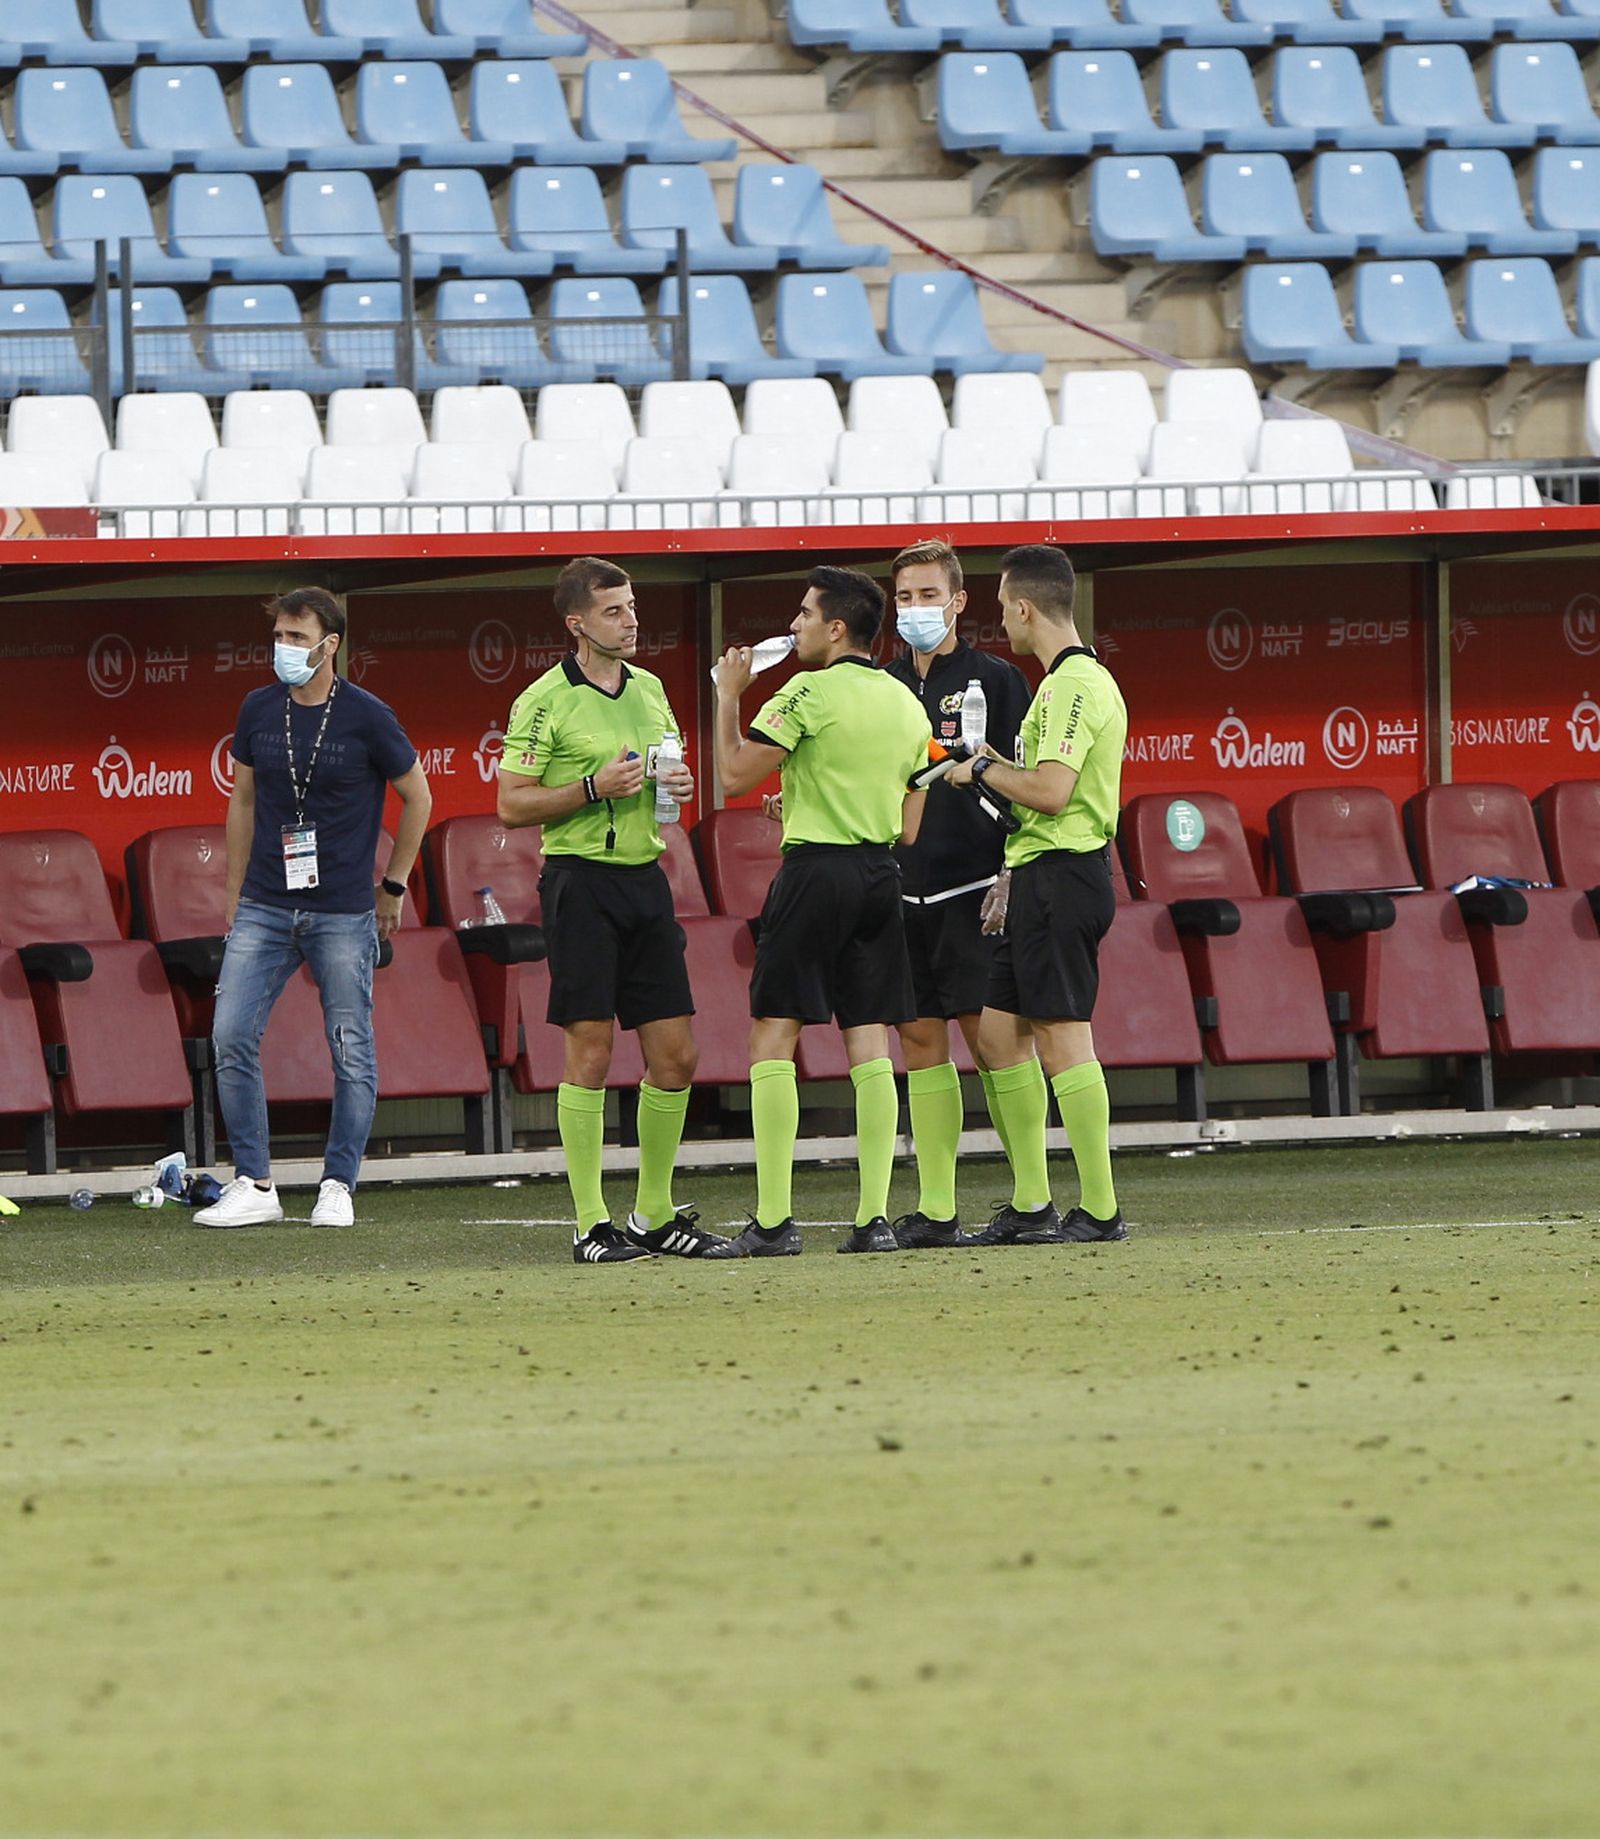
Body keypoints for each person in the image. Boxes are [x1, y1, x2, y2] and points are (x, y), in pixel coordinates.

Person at [497, 556, 728, 1264]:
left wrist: (676, 784)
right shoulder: (543, 699)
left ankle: (653, 1215)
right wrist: (591, 788)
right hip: (580, 886)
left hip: (646, 881)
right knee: (590, 1052)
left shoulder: (651, 689)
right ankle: (590, 1224)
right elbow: (511, 804)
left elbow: (668, 774)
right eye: (614, 611)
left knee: (677, 1055)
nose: (631, 621)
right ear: (577, 624)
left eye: (632, 607)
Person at [709, 565, 932, 1257]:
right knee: (869, 1040)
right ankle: (874, 1221)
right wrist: (813, 798)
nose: (795, 624)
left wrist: (728, 695)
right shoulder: (908, 704)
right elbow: (909, 828)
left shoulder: (804, 690)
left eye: (805, 614)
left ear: (837, 628)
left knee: (773, 1034)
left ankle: (774, 1222)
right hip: (879, 874)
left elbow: (733, 774)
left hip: (814, 874)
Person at [197, 587, 432, 1230]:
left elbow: (419, 797)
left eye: (297, 638)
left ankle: (338, 1183)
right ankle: (255, 1181)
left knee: (350, 1046)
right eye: (279, 636)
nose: (284, 648)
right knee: (230, 1035)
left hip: (342, 911)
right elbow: (243, 801)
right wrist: (233, 891)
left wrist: (394, 886)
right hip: (265, 903)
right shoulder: (257, 707)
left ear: (330, 645)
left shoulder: (367, 715)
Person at [945, 543, 1130, 1245]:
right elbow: (1043, 782)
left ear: (1024, 608)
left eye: (1001, 607)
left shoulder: (1071, 685)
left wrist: (982, 773)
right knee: (999, 1038)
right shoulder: (1065, 683)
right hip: (1036, 875)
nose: (1001, 620)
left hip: (1064, 875)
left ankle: (1101, 1210)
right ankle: (1032, 1203)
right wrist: (993, 764)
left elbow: (1051, 792)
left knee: (1062, 1037)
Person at [885, 538, 1032, 1249]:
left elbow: (1029, 781)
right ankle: (938, 1209)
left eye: (928, 595)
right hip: (901, 893)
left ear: (959, 601)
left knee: (995, 1045)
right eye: (904, 597)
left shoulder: (997, 679)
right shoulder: (880, 685)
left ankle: (1033, 1197)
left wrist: (1011, 872)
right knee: (920, 1043)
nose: (915, 608)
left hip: (977, 889)